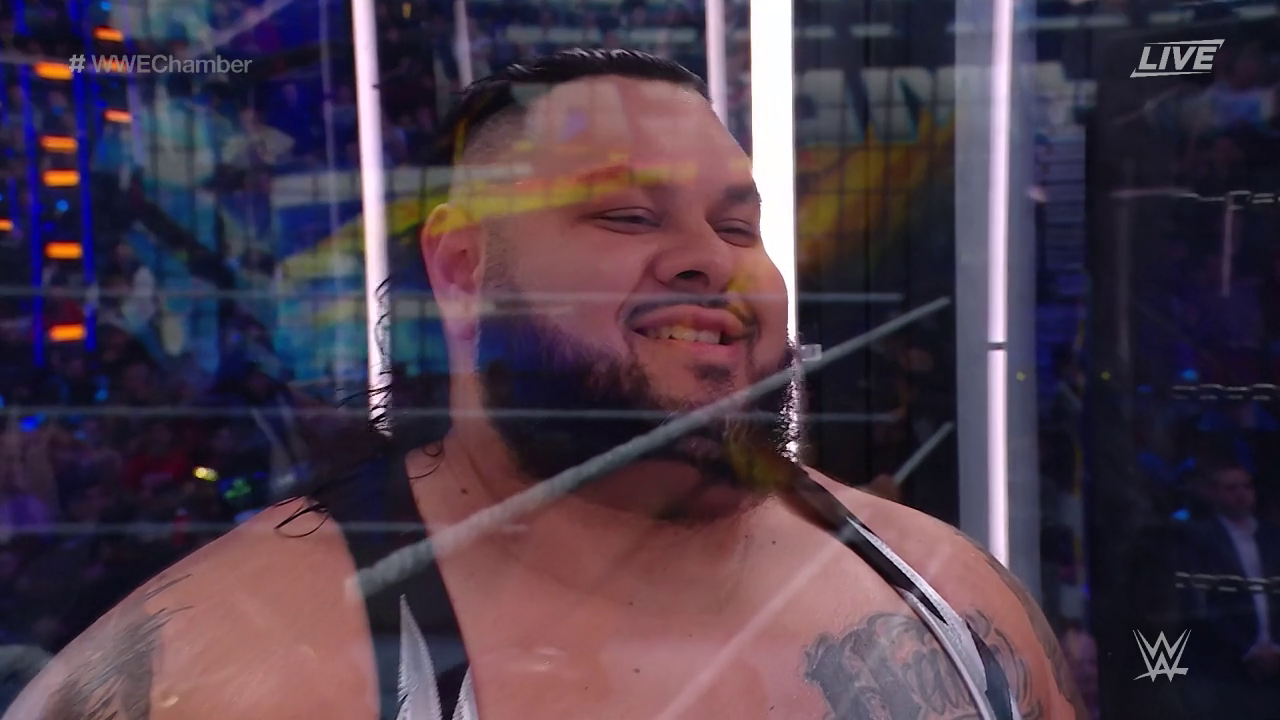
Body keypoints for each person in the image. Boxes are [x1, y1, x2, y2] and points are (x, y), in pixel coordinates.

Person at [3, 50, 1086, 720]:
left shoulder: (948, 599)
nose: (704, 260)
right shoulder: (242, 669)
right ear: (462, 269)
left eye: (736, 225)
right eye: (627, 216)